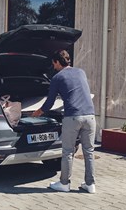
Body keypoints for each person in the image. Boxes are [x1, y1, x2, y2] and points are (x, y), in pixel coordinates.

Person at [31, 50, 96, 193]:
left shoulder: (57, 78)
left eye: (53, 63)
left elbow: (49, 102)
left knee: (67, 151)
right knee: (89, 151)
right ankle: (90, 185)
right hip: (90, 116)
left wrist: (38, 112)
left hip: (73, 117)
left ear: (57, 62)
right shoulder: (81, 72)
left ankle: (64, 184)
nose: (53, 66)